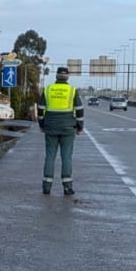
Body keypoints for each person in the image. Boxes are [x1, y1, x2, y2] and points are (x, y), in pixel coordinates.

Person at [39, 65, 84, 196]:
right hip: (68, 128)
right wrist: (80, 127)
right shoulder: (72, 90)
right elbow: (80, 110)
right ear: (67, 77)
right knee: (66, 157)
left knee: (50, 156)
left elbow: (41, 109)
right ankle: (67, 187)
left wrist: (42, 125)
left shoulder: (48, 90)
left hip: (50, 127)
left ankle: (46, 187)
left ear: (56, 76)